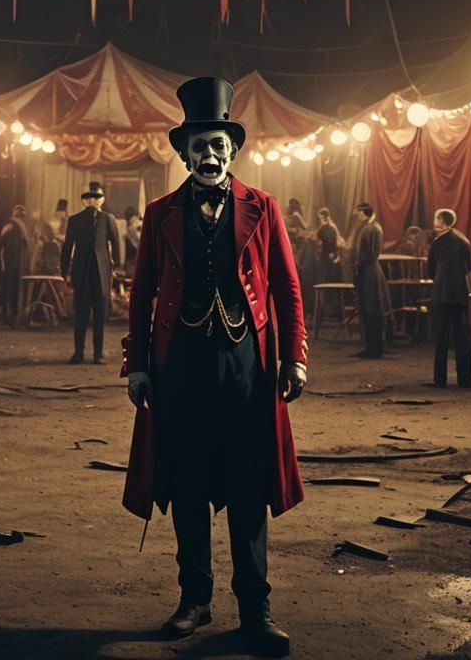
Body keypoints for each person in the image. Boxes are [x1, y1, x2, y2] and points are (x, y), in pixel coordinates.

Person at [123, 76, 306, 658]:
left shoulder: (265, 207)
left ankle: (256, 607)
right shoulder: (159, 213)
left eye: (218, 145)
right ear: (184, 152)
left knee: (248, 485)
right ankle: (194, 600)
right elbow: (141, 292)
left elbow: (287, 287)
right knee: (189, 482)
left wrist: (295, 358)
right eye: (198, 145)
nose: (209, 154)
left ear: (232, 150)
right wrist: (137, 366)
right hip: (179, 368)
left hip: (246, 368)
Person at [61, 182, 119, 365]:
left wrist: (115, 266)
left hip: (101, 274)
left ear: (100, 200)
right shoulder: (75, 219)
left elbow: (116, 244)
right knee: (81, 315)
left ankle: (98, 354)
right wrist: (65, 271)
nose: (93, 201)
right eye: (90, 198)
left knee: (99, 316)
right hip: (82, 275)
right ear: (85, 201)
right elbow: (67, 246)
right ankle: (79, 353)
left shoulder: (107, 219)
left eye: (96, 198)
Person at [427, 208, 471, 388]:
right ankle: (465, 379)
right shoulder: (464, 241)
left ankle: (440, 380)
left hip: (441, 295)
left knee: (442, 338)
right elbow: (468, 268)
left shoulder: (437, 242)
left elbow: (431, 270)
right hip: (460, 295)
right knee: (462, 337)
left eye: (435, 219)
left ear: (442, 221)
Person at [352, 202, 391, 359]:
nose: (357, 216)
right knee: (370, 309)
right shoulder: (372, 227)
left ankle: (374, 348)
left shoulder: (370, 229)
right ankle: (372, 347)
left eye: (359, 213)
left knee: (371, 309)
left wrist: (357, 268)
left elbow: (366, 254)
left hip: (368, 273)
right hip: (370, 271)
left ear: (364, 213)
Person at [0, 205, 30, 327]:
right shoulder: (11, 225)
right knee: (10, 286)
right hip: (11, 261)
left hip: (16, 262)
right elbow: (3, 242)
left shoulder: (18, 226)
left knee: (13, 286)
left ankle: (13, 314)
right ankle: (9, 314)